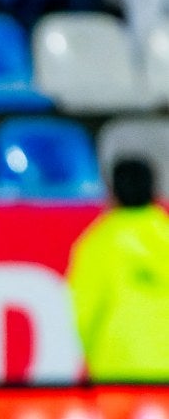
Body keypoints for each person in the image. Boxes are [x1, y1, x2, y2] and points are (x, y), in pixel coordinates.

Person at [67, 158, 169, 383]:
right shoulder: (165, 233)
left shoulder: (97, 243)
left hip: (116, 371)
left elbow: (84, 311)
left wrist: (92, 356)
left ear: (111, 192)